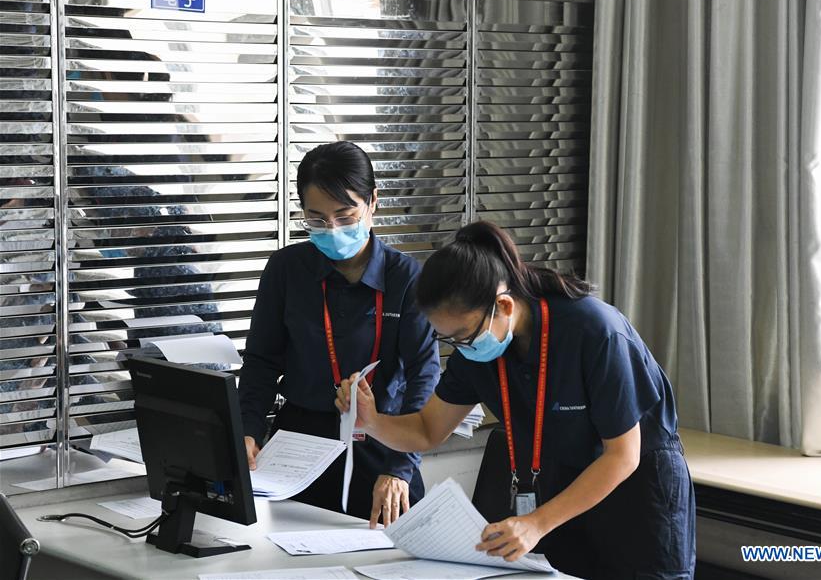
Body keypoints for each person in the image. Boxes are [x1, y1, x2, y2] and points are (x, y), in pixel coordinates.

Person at [336, 220, 696, 579]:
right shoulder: (477, 347)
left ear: (504, 306)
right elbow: (428, 429)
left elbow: (622, 455)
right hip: (564, 487)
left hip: (637, 491)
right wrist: (373, 422)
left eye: (463, 335)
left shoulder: (594, 331)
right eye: (449, 339)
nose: (460, 347)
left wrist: (537, 523)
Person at [239, 141, 440, 527]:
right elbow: (261, 362)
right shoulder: (287, 269)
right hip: (299, 443)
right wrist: (247, 432)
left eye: (345, 217)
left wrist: (401, 466)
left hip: (382, 440)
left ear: (373, 202)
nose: (331, 229)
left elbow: (424, 377)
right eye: (316, 219)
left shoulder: (406, 278)